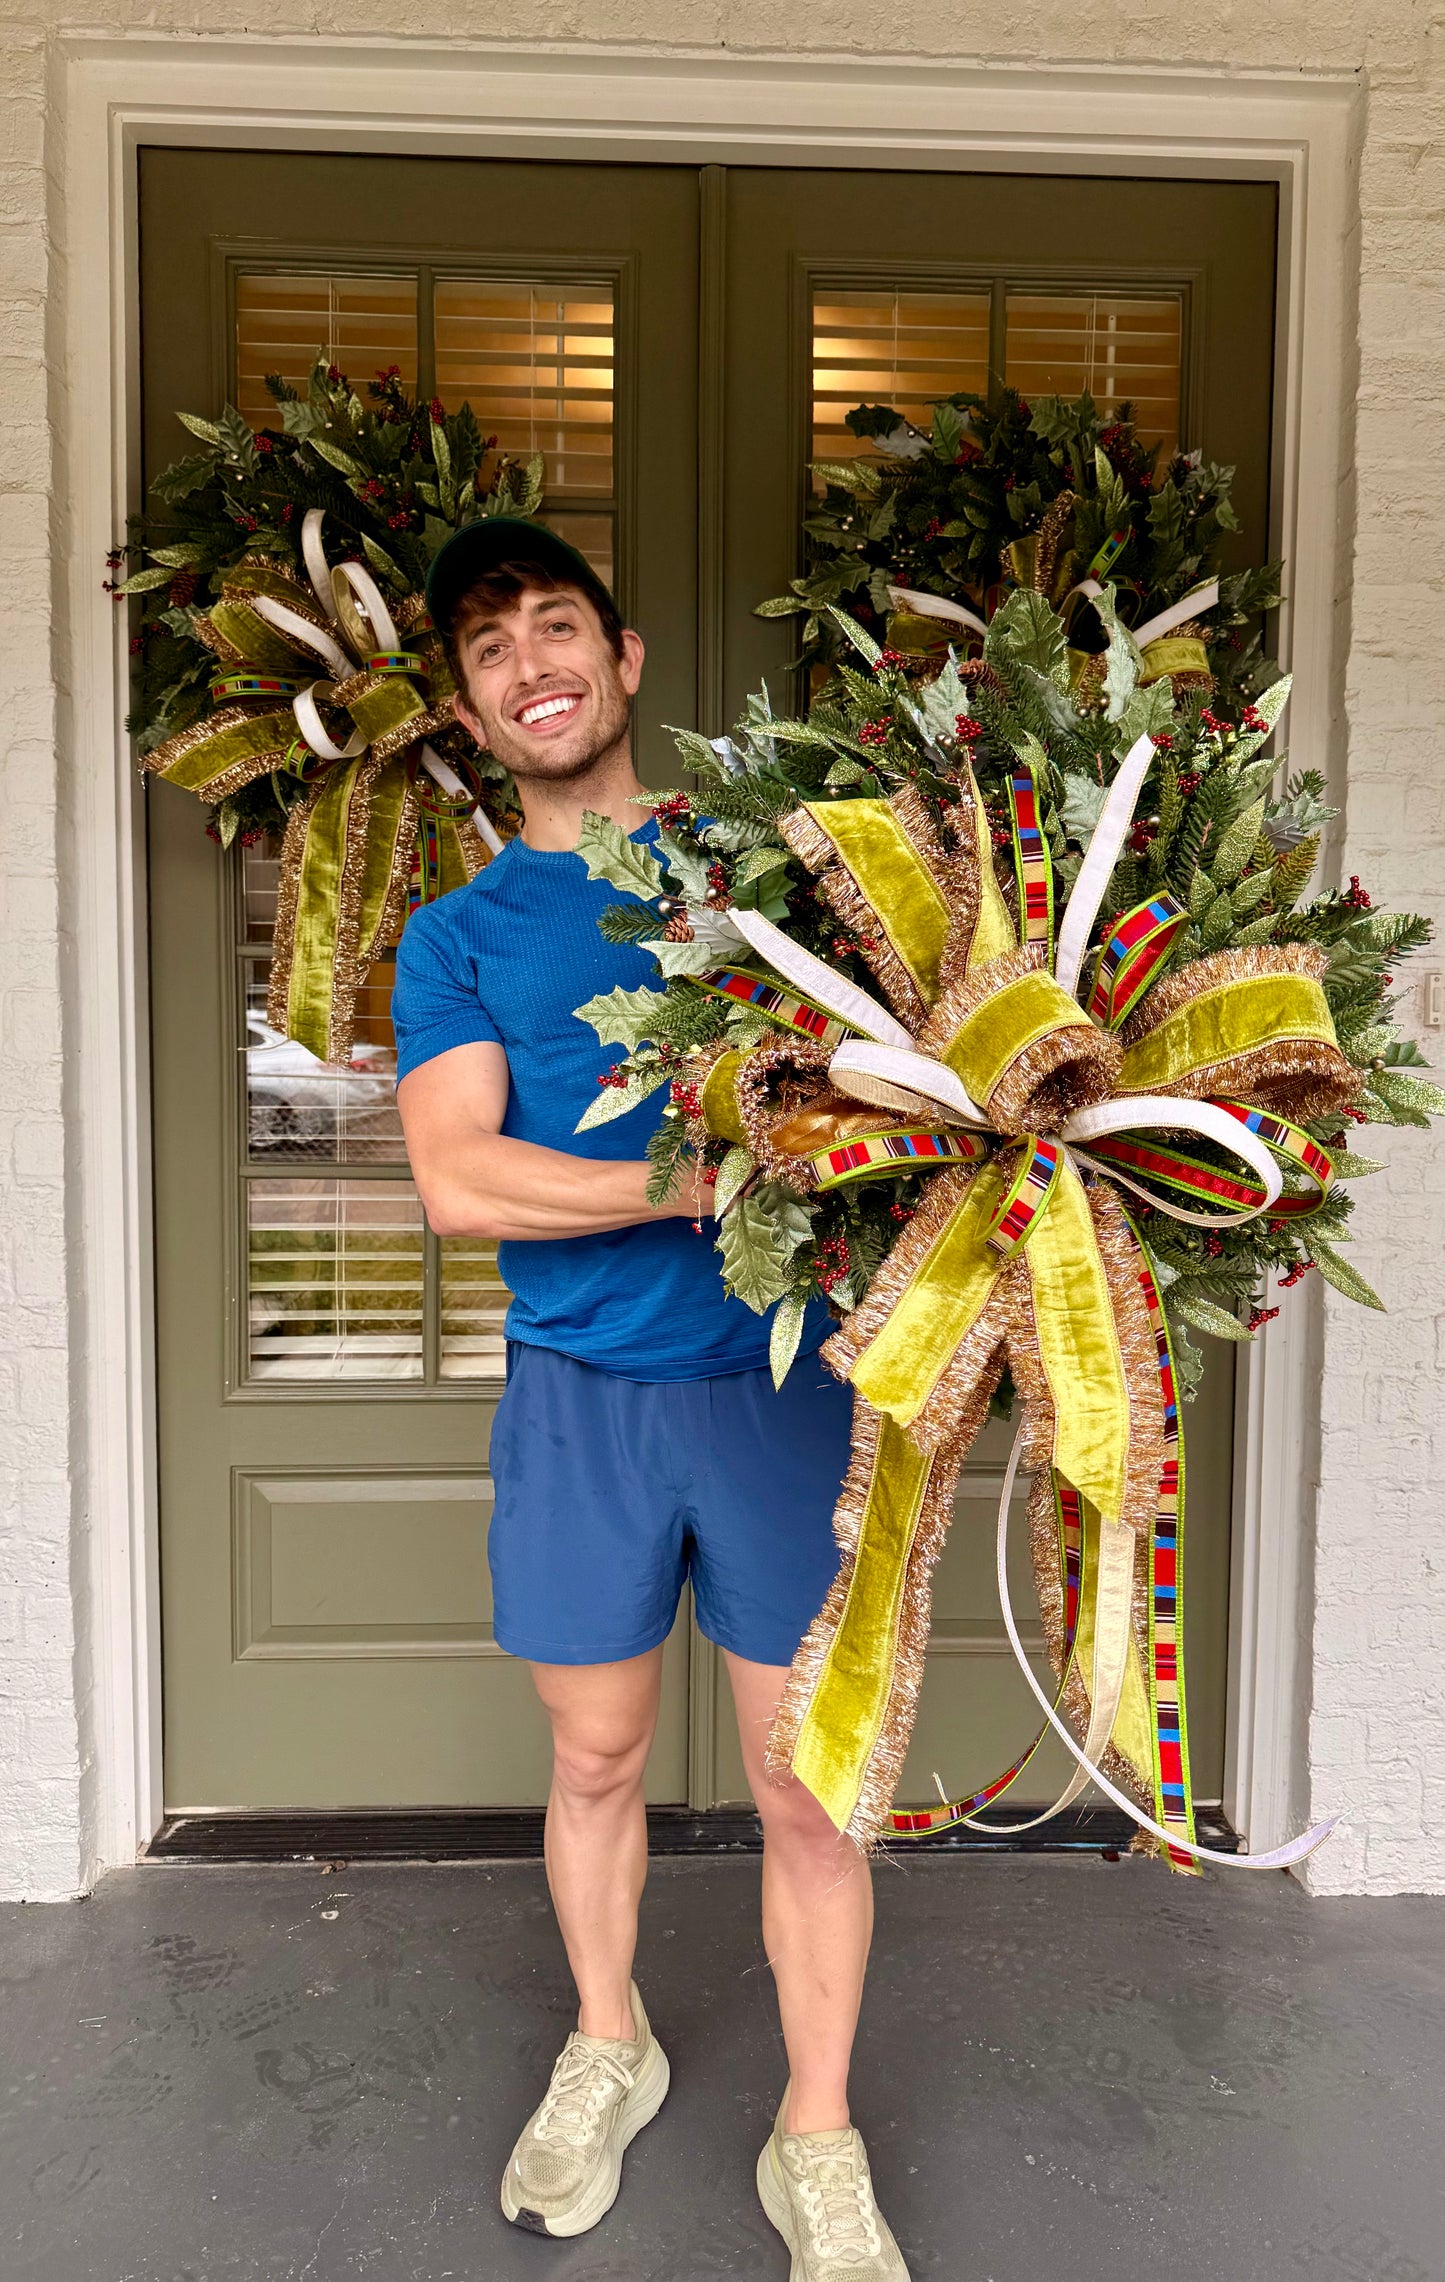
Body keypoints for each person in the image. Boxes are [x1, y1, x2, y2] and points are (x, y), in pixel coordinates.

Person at [393, 520, 910, 2276]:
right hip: (581, 1403)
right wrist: (700, 1184)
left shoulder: (772, 877)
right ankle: (610, 2036)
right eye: (487, 650)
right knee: (597, 1752)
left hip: (783, 1393)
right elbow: (462, 1181)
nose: (530, 662)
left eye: (557, 626)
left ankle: (815, 2133)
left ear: (622, 661)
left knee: (804, 1790)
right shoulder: (456, 934)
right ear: (469, 710)